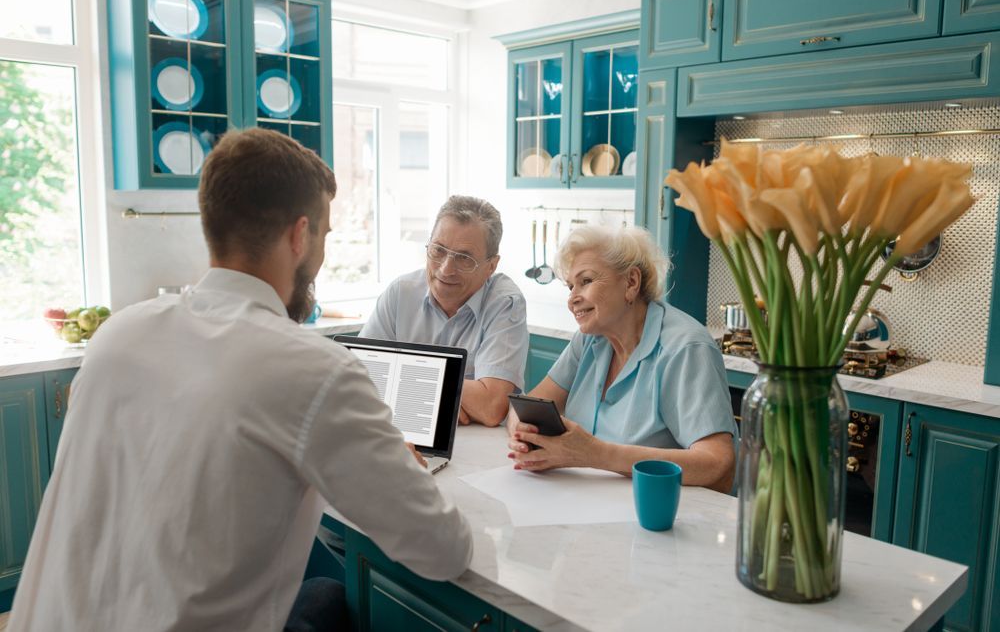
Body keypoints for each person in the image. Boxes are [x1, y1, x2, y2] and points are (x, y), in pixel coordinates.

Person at [8, 129, 472, 632]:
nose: (321, 255)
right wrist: (390, 465)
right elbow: (444, 550)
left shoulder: (117, 335)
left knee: (323, 597)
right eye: (325, 236)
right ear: (300, 236)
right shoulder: (315, 371)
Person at [507, 225, 737, 493]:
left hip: (662, 515)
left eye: (586, 281)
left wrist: (595, 454)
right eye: (570, 286)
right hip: (590, 504)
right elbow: (528, 405)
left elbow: (718, 464)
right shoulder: (591, 337)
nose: (572, 299)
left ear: (631, 282)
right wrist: (521, 434)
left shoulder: (686, 348)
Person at [360, 195, 528, 427]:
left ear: (491, 266)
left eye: (464, 258)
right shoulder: (401, 293)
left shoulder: (505, 303)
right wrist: (440, 401)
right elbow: (360, 380)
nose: (446, 269)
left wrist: (401, 381)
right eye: (438, 250)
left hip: (480, 449)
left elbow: (491, 407)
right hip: (404, 430)